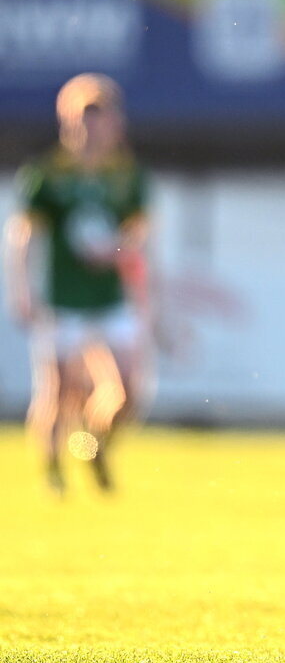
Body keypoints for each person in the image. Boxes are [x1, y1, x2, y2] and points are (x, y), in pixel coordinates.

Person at [4, 73, 152, 493]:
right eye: (84, 119)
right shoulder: (48, 173)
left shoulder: (125, 175)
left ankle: (94, 442)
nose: (94, 129)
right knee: (59, 388)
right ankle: (52, 473)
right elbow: (24, 234)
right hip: (64, 298)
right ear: (69, 121)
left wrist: (116, 252)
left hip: (108, 297)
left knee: (128, 391)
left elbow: (138, 236)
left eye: (102, 119)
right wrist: (22, 288)